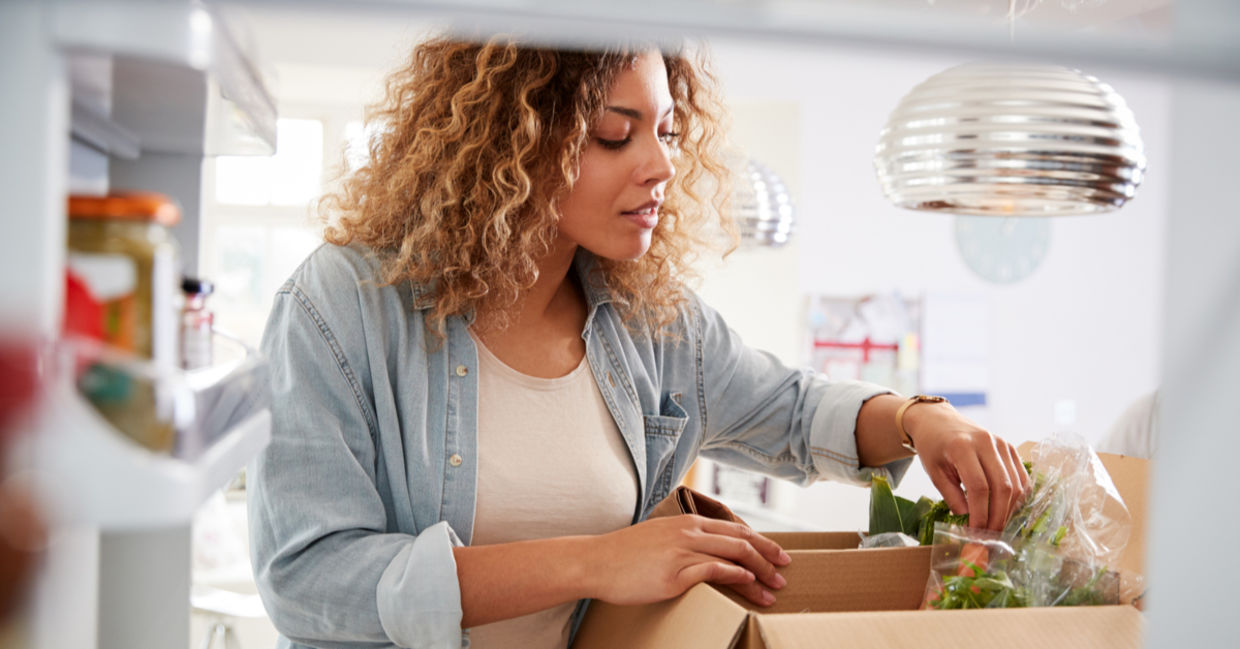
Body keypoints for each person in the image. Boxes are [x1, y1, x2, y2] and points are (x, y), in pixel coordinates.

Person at [248, 35, 1030, 649]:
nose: (661, 165)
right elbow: (308, 577)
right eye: (615, 135)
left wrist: (923, 419)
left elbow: (793, 411)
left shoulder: (649, 321)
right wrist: (596, 561)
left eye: (666, 130)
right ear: (508, 141)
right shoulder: (341, 304)